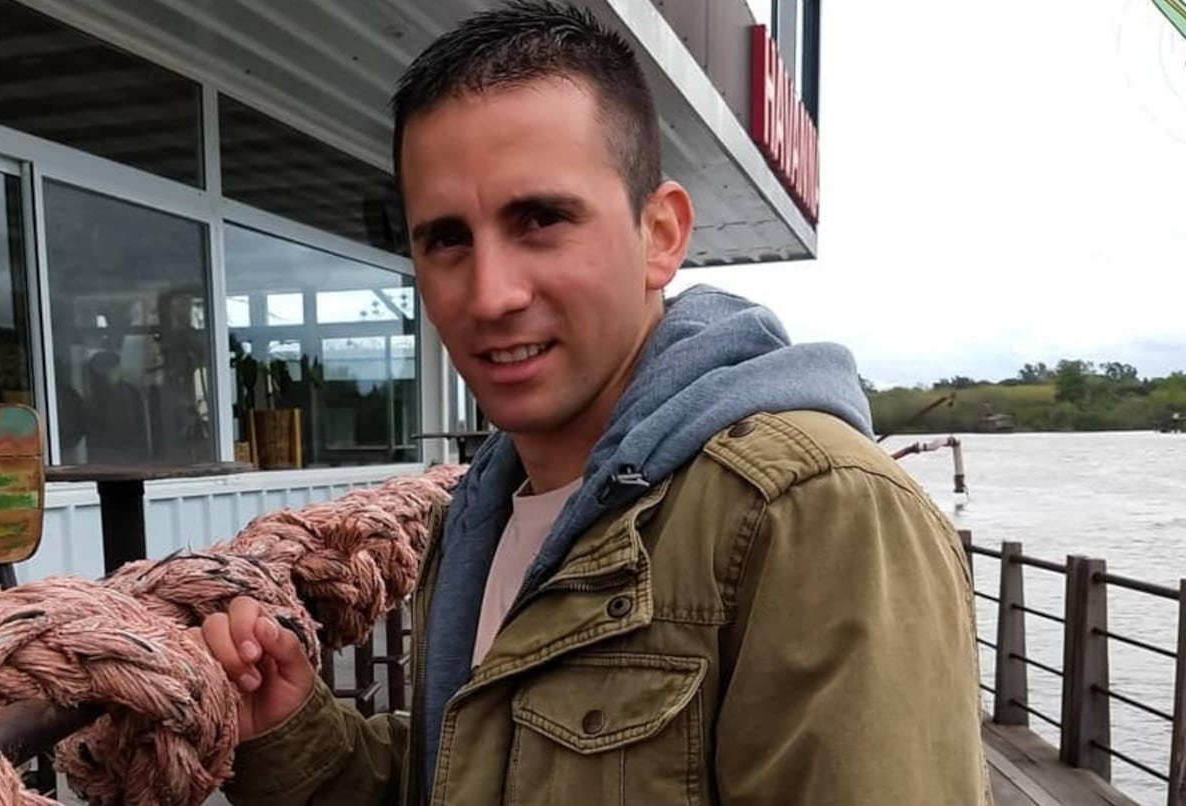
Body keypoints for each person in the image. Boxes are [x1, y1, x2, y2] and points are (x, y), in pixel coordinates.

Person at [202, 3, 989, 804]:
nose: (491, 294)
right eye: (446, 239)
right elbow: (475, 775)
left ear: (661, 234)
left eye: (541, 219)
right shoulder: (482, 513)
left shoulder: (814, 514)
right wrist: (296, 733)